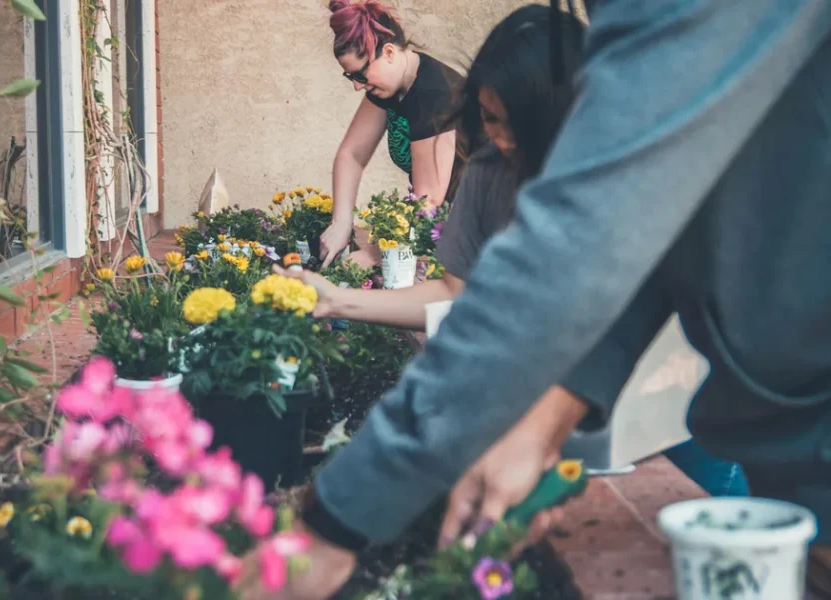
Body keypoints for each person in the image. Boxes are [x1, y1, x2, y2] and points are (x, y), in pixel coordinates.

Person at [237, 0, 831, 597]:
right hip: (781, 423)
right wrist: (546, 423)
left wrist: (337, 519)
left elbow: (577, 249)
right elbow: (637, 248)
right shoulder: (500, 159)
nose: (497, 141)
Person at [286, 4, 751, 499]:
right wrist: (337, 299)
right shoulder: (487, 172)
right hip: (576, 415)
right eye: (488, 119)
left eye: (515, 124)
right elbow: (453, 294)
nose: (500, 141)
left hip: (684, 405)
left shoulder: (628, 170)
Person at [319, 0, 466, 270]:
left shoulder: (433, 96)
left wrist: (374, 254)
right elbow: (352, 154)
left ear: (388, 52)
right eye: (349, 76)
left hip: (478, 227)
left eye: (360, 75)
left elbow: (428, 203)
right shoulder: (390, 88)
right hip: (440, 228)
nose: (356, 86)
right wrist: (341, 222)